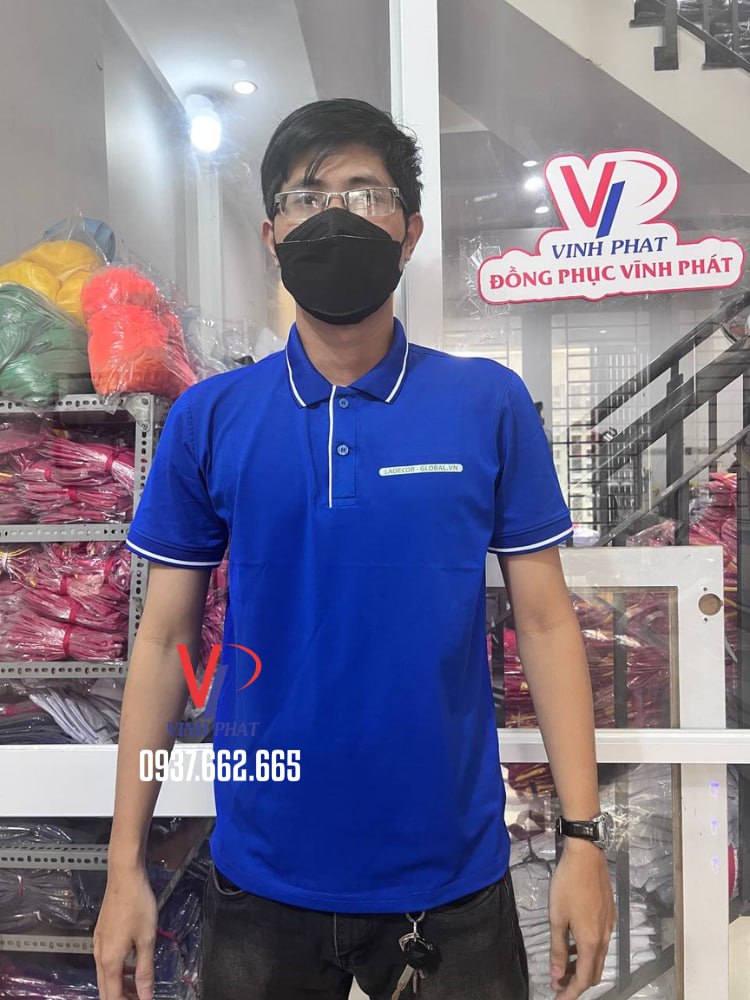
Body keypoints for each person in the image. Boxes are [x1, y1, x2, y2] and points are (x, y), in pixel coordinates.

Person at [93, 99, 615, 1000]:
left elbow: (544, 622)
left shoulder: (486, 404)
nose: (334, 217)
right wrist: (123, 865)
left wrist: (582, 839)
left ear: (410, 232)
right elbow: (163, 640)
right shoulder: (210, 419)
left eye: (365, 193)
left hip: (451, 881)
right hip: (262, 881)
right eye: (306, 198)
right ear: (271, 235)